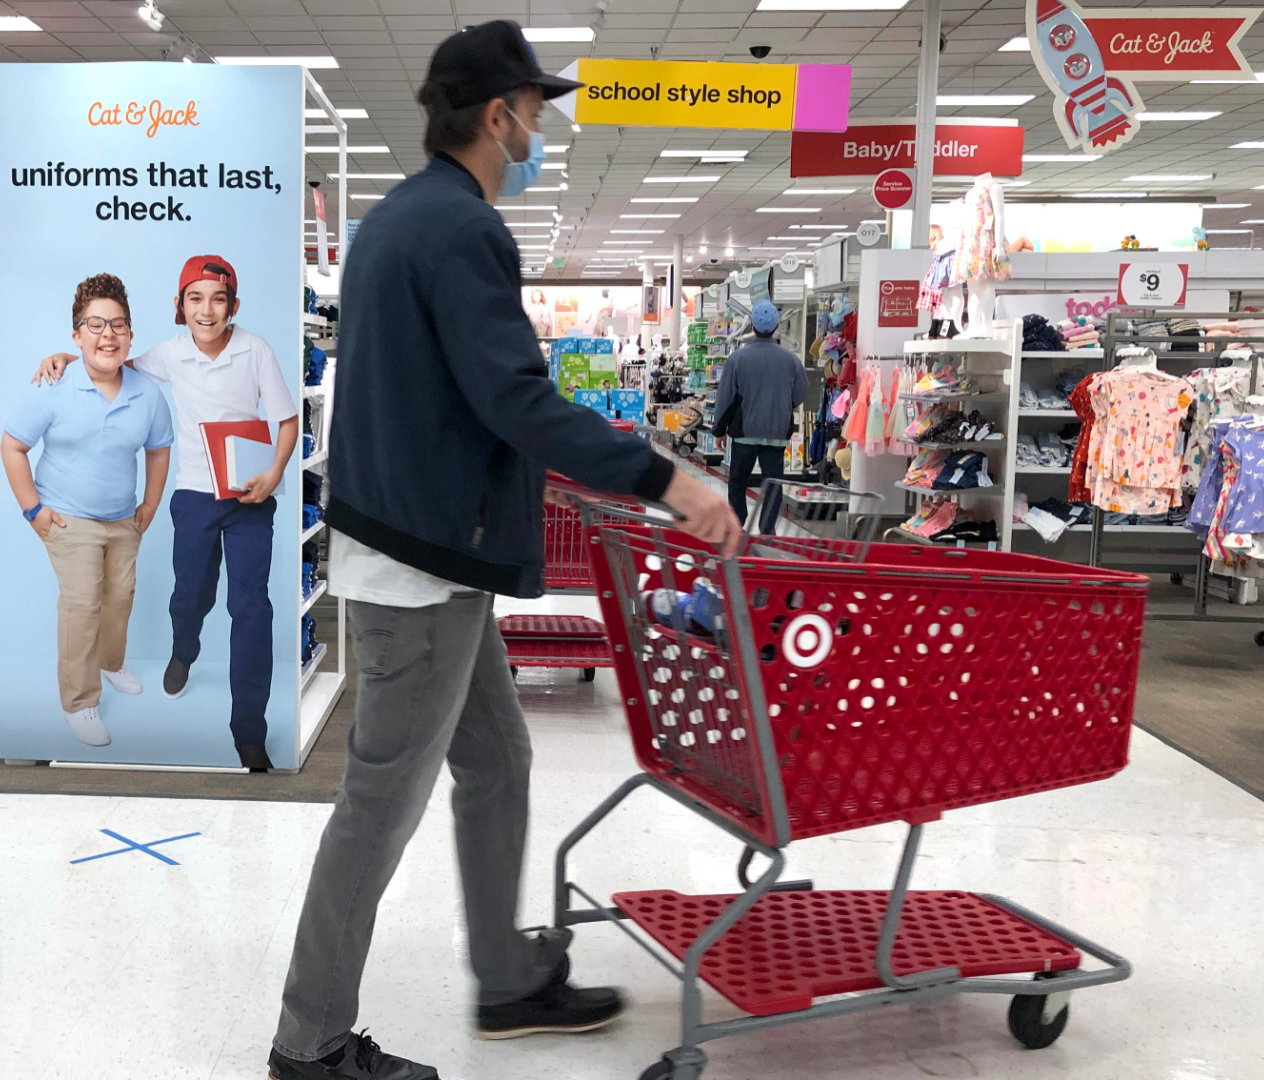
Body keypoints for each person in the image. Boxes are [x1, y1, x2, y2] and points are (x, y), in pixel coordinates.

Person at [265, 21, 740, 1080]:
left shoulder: (399, 218)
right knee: (378, 809)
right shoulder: (461, 230)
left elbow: (454, 398)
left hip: (427, 552)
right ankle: (308, 1046)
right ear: (497, 115)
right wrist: (669, 481)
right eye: (535, 111)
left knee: (498, 759)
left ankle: (509, 979)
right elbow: (516, 400)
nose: (539, 129)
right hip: (421, 567)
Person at [35, 255, 299, 771]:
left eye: (218, 299)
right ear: (179, 307)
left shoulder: (256, 351)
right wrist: (68, 357)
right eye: (196, 299)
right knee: (190, 596)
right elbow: (114, 364)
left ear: (234, 306)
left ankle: (249, 732)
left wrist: (272, 473)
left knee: (251, 608)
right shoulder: (170, 355)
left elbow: (286, 422)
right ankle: (184, 649)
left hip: (250, 499)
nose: (207, 310)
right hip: (195, 498)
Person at [2, 274, 173, 747]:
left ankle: (112, 663)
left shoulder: (147, 393)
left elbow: (159, 449)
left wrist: (151, 504)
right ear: (75, 335)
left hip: (122, 519)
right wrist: (33, 511)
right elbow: (13, 446)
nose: (108, 335)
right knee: (81, 606)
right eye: (94, 325)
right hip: (67, 517)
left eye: (118, 325)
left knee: (119, 599)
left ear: (131, 335)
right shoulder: (52, 384)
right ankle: (80, 702)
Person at [711, 299, 806, 535]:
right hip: (776, 433)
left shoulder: (737, 359)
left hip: (745, 432)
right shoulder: (792, 361)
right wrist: (783, 406)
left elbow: (725, 398)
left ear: (751, 326)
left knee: (738, 481)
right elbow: (800, 394)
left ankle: (737, 523)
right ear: (776, 327)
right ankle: (767, 528)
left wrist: (719, 430)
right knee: (773, 484)